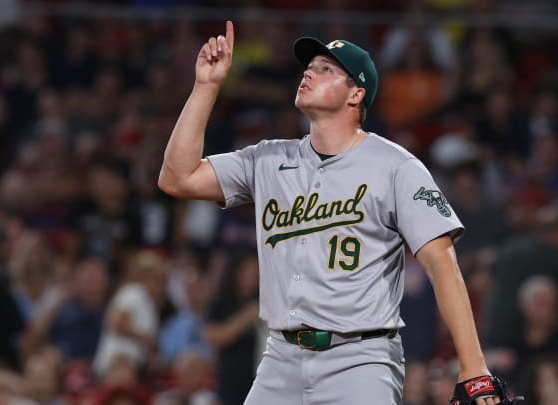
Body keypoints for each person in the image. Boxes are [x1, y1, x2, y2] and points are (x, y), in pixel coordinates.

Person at [158, 21, 506, 404]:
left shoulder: (395, 166)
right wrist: (206, 88)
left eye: (326, 68)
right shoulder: (269, 159)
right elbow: (178, 178)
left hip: (361, 359)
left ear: (356, 94)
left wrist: (473, 367)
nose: (308, 71)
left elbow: (443, 265)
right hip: (280, 358)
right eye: (310, 66)